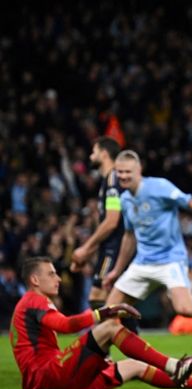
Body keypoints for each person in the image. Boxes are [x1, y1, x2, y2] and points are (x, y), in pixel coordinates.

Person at [10, 256, 192, 389]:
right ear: (35, 280)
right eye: (51, 274)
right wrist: (103, 312)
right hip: (46, 377)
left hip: (51, 380)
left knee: (135, 366)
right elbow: (65, 325)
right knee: (108, 328)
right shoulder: (33, 300)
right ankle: (175, 366)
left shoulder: (31, 303)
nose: (58, 278)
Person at [101, 150, 192, 337]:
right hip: (142, 262)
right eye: (119, 172)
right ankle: (106, 360)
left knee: (185, 309)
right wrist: (116, 270)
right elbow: (129, 237)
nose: (123, 176)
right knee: (109, 311)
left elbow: (185, 200)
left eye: (127, 172)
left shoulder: (158, 187)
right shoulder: (125, 200)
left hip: (170, 259)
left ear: (139, 170)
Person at [69, 137, 137, 329]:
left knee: (99, 298)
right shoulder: (109, 180)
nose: (91, 155)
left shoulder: (113, 179)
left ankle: (103, 354)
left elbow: (112, 221)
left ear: (104, 154)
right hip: (111, 247)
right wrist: (88, 252)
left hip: (114, 249)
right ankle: (135, 346)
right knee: (115, 302)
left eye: (94, 151)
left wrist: (85, 248)